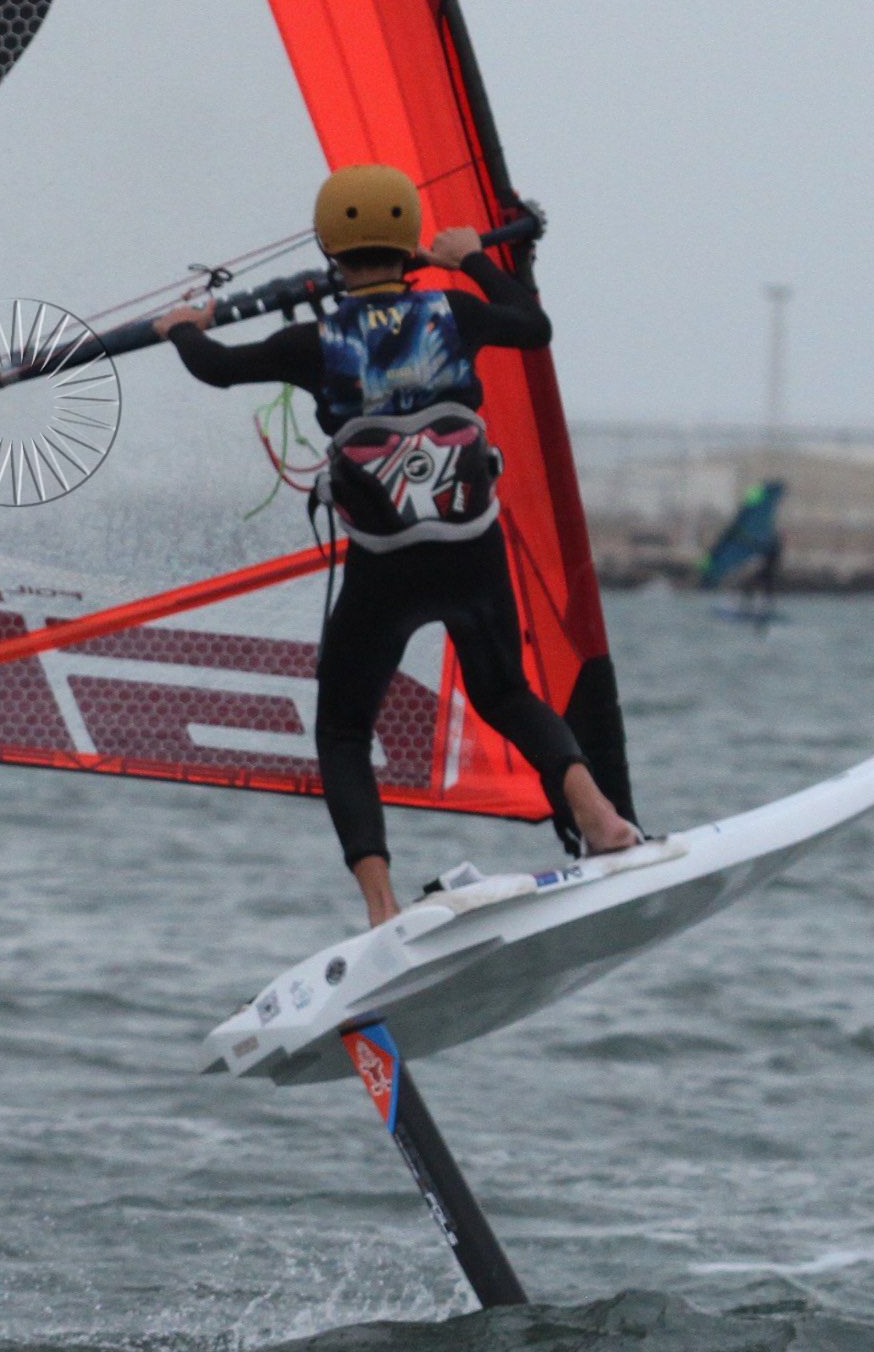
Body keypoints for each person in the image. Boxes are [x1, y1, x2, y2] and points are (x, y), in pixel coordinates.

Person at [153, 165, 641, 926]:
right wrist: (471, 256)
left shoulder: (310, 341)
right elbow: (533, 326)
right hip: (468, 544)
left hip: (385, 565)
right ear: (408, 241)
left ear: (329, 248)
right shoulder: (455, 312)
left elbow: (217, 369)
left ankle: (381, 906)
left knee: (345, 730)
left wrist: (184, 324)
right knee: (506, 694)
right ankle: (603, 819)